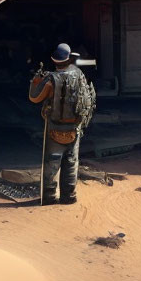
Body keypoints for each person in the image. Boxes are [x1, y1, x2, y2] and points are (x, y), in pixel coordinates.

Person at [28, 43, 91, 205]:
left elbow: (35, 98)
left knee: (52, 163)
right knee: (71, 162)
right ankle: (69, 196)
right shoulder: (79, 74)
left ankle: (49, 197)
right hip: (74, 128)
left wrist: (35, 82)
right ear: (69, 58)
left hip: (55, 127)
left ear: (54, 60)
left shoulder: (51, 79)